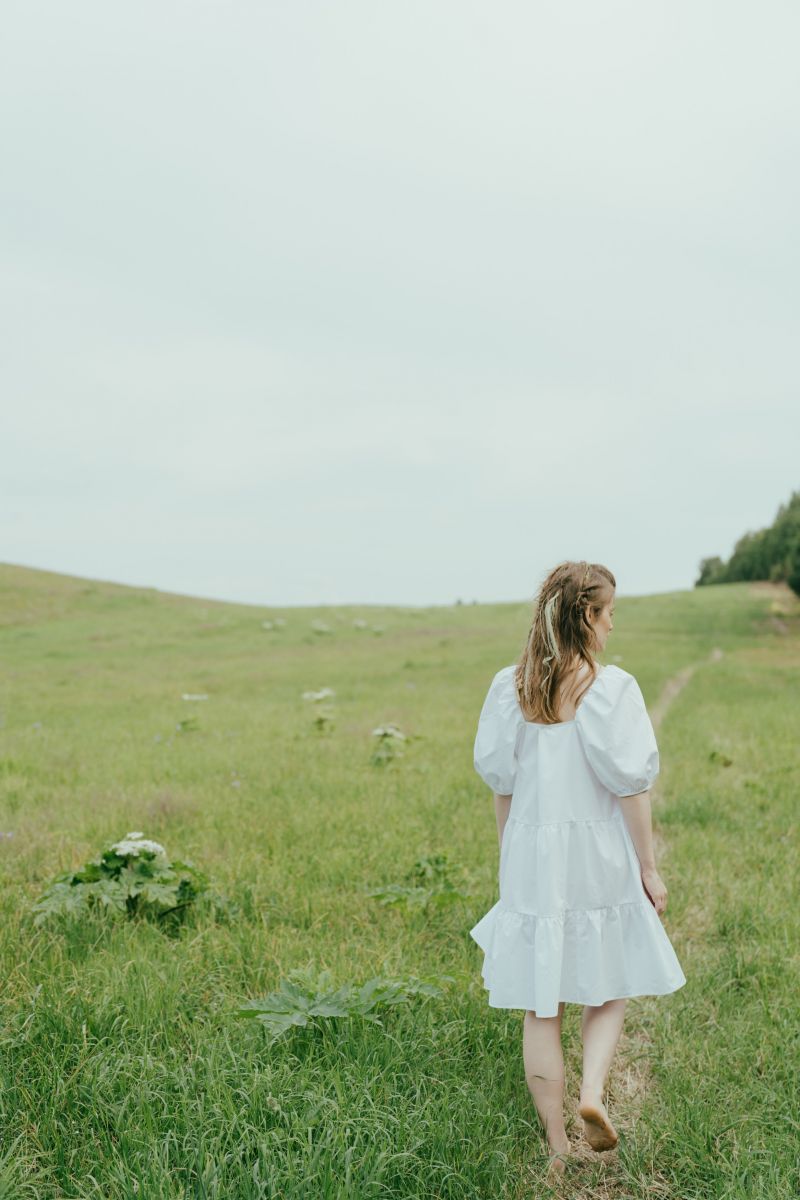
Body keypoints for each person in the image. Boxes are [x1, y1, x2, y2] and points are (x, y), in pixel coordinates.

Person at [469, 560, 686, 1179]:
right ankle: (592, 1090)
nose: (613, 625)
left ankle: (557, 1142)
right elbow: (630, 790)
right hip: (596, 854)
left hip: (532, 856)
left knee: (541, 1006)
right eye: (608, 612)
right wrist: (649, 868)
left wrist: (508, 857)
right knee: (608, 983)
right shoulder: (609, 689)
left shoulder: (510, 689)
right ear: (586, 616)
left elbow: (502, 786)